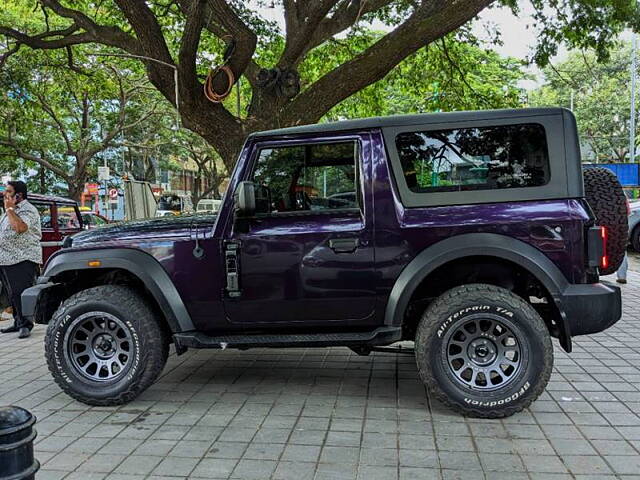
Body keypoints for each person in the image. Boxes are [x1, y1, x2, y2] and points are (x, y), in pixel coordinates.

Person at [0, 181, 41, 338]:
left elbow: (20, 228)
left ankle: (26, 324)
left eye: (8, 191)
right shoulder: (9, 211)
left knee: (20, 292)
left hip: (22, 257)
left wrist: (10, 209)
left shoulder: (27, 210)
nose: (5, 194)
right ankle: (17, 322)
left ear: (19, 195)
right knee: (11, 294)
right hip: (6, 258)